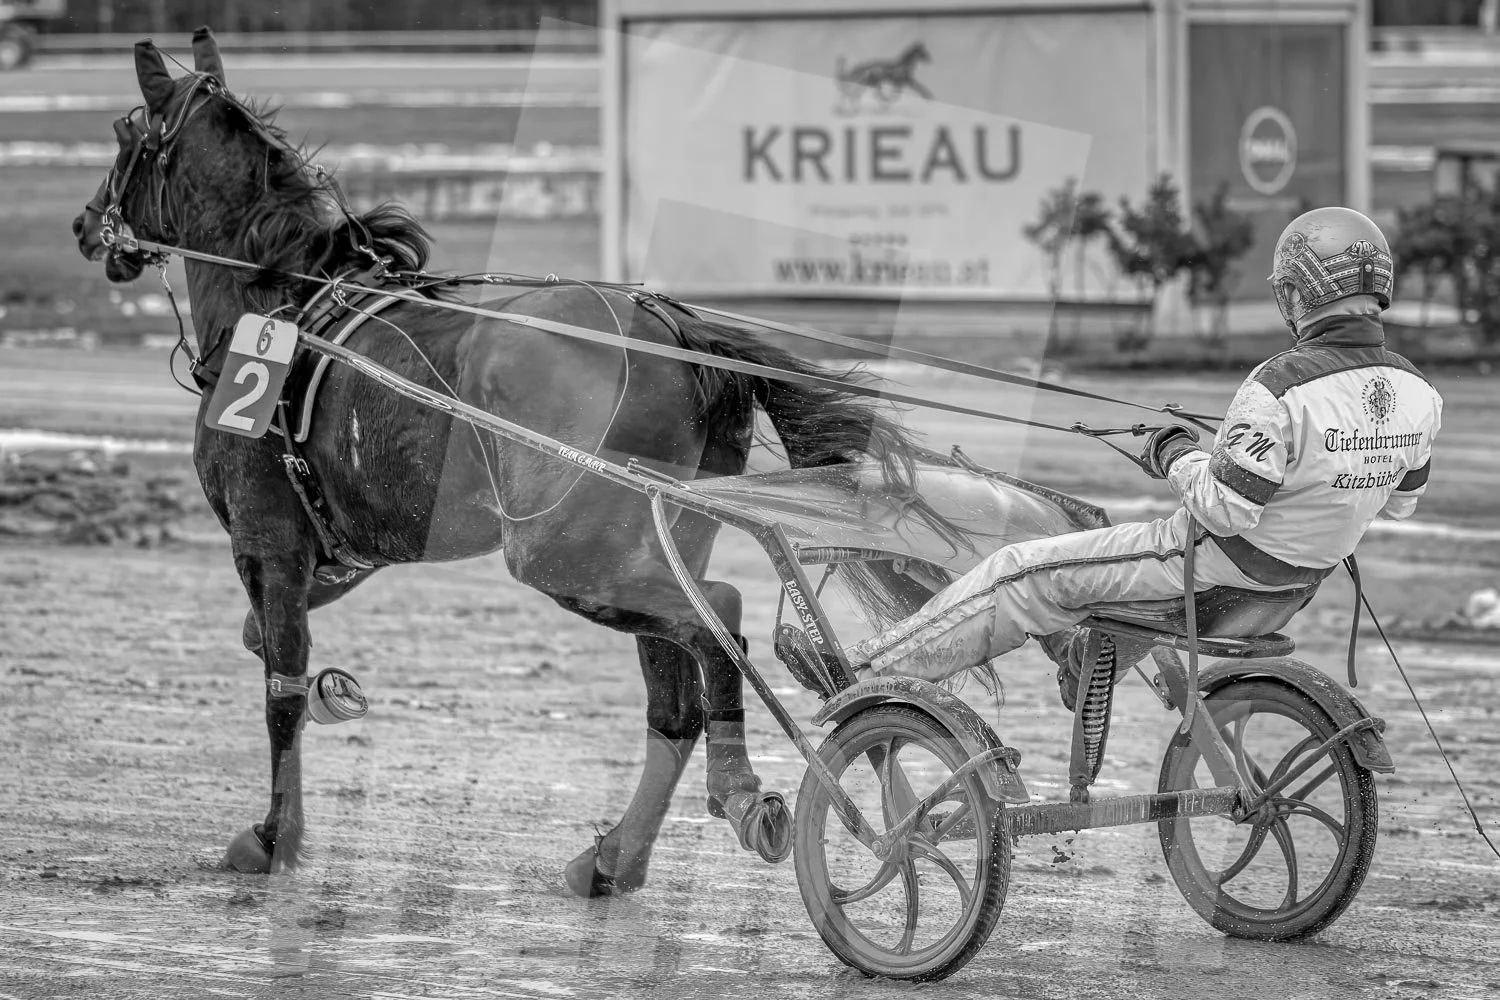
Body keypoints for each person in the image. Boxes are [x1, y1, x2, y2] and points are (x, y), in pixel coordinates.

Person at [845, 207, 1444, 707]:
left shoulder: (1279, 386)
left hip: (1213, 567)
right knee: (1096, 548)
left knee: (1016, 572)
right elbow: (1399, 503)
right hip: (1293, 586)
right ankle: (1087, 657)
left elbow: (1225, 510)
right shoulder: (1419, 393)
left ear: (1300, 291)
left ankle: (870, 676)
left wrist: (1178, 454)